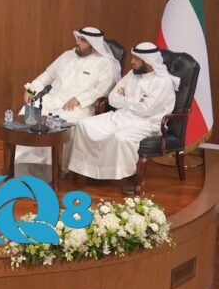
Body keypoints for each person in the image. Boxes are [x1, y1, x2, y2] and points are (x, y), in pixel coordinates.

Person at [67, 42, 179, 192]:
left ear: (148, 62)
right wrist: (134, 102)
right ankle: (92, 170)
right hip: (121, 116)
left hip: (147, 123)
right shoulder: (132, 74)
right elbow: (113, 99)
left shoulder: (163, 82)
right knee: (84, 124)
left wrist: (125, 99)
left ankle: (131, 177)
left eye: (136, 59)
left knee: (120, 137)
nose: (132, 61)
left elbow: (146, 110)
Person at [14, 27, 120, 171]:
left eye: (83, 41)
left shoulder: (104, 63)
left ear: (94, 45)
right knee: (28, 113)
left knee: (57, 128)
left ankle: (49, 169)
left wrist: (79, 99)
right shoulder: (67, 55)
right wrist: (31, 90)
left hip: (78, 107)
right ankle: (20, 164)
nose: (77, 42)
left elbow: (102, 89)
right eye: (78, 38)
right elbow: (48, 74)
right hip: (52, 99)